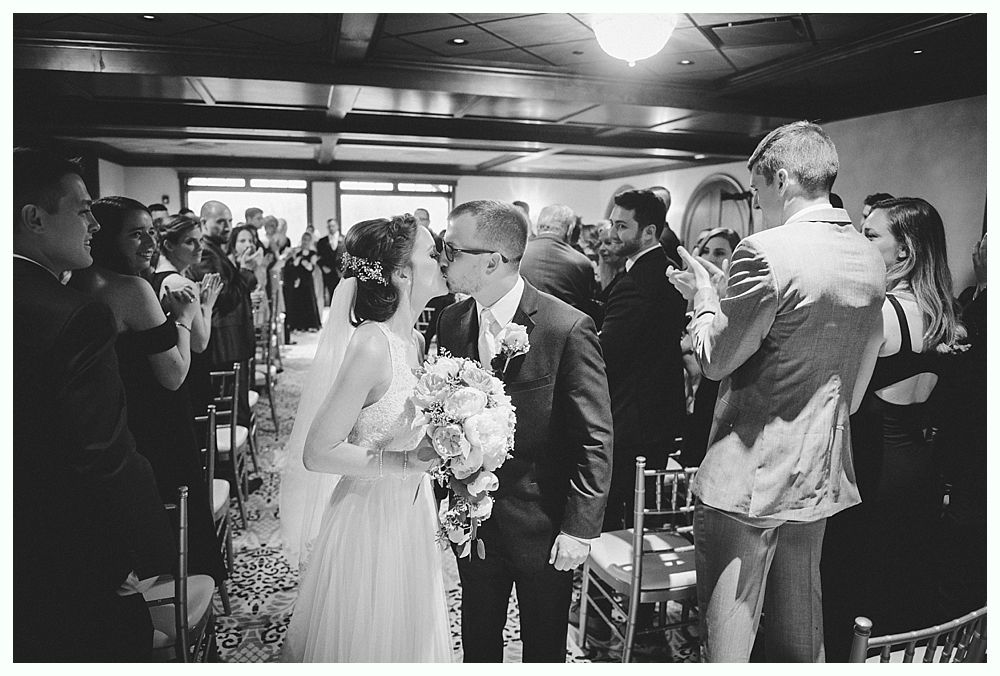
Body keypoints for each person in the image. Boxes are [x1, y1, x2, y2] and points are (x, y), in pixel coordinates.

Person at [666, 121, 886, 662]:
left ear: (782, 179)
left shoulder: (764, 250)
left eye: (757, 188)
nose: (757, 201)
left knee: (729, 637)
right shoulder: (867, 256)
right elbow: (829, 362)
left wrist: (702, 300)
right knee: (797, 631)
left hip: (747, 477)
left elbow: (716, 361)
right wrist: (726, 296)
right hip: (816, 473)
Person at [436, 200, 614, 662]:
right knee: (477, 634)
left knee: (543, 645)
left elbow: (595, 435)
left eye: (451, 249)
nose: (443, 257)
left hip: (544, 523)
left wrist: (579, 529)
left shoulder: (565, 327)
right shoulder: (452, 321)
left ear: (492, 260)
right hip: (473, 518)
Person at [14, 148, 174, 661]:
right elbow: (104, 453)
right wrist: (144, 551)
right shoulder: (72, 316)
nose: (93, 224)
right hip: (69, 548)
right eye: (83, 209)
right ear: (34, 218)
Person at [279, 214, 452, 662]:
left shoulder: (411, 339)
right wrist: (400, 464)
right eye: (432, 253)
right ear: (400, 274)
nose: (443, 260)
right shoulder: (372, 344)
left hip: (411, 512)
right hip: (369, 518)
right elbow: (317, 452)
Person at [822, 197, 965, 658]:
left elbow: (848, 399)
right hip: (917, 469)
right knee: (896, 583)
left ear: (903, 252)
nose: (861, 243)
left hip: (873, 466)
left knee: (851, 584)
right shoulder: (943, 313)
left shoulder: (883, 312)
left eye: (870, 235)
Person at [69, 197, 227, 585]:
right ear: (105, 237)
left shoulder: (74, 283)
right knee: (174, 509)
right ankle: (187, 597)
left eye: (151, 233)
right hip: (158, 418)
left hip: (113, 421)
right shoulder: (134, 289)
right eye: (135, 234)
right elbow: (174, 373)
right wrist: (185, 319)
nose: (149, 243)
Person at [600, 189, 688, 530]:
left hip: (632, 413)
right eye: (612, 223)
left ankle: (616, 572)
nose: (612, 233)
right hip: (658, 408)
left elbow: (611, 351)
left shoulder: (639, 280)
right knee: (645, 501)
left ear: (649, 231)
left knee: (618, 502)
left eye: (622, 226)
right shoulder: (666, 269)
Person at [188, 199, 255, 427]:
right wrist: (245, 271)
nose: (227, 227)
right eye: (220, 222)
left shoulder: (216, 251)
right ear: (204, 222)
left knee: (238, 405)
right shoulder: (205, 254)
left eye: (229, 221)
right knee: (231, 410)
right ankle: (229, 460)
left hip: (232, 339)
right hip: (224, 341)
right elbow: (223, 299)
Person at [679, 227, 742, 468]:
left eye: (719, 252)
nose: (709, 258)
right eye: (705, 251)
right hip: (691, 398)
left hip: (717, 392)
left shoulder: (732, 299)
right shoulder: (692, 292)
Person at [519, 204, 598, 319]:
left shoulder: (517, 254)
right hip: (566, 329)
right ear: (570, 229)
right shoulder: (582, 263)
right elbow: (586, 304)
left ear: (538, 227)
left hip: (520, 331)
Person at [283, 231, 323, 332]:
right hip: (298, 280)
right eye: (303, 240)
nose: (305, 242)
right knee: (298, 302)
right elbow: (294, 265)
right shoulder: (298, 253)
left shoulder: (313, 254)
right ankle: (298, 325)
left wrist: (306, 263)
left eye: (307, 240)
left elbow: (311, 268)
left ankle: (311, 324)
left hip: (307, 281)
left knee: (308, 301)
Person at [228, 223, 268, 291]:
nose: (248, 245)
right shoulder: (227, 265)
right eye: (242, 241)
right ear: (233, 245)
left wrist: (258, 268)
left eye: (250, 241)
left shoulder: (254, 263)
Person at [316, 219, 344, 306]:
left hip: (341, 273)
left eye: (333, 226)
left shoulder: (344, 239)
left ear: (337, 226)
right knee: (330, 295)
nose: (331, 228)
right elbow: (318, 257)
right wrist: (323, 267)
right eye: (329, 226)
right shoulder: (322, 241)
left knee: (342, 295)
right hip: (328, 272)